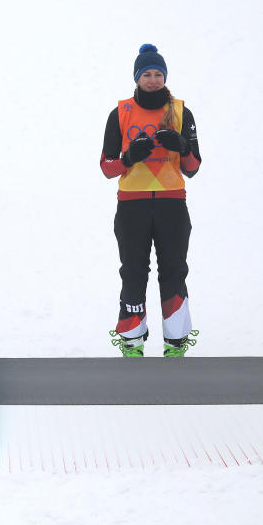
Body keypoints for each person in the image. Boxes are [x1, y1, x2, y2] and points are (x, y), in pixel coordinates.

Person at [100, 44, 201, 357]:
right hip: (132, 205)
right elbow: (106, 167)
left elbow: (193, 167)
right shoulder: (121, 113)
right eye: (147, 74)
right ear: (137, 77)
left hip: (172, 204)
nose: (153, 79)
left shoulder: (182, 112)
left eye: (158, 73)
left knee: (174, 269)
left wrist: (182, 146)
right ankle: (131, 340)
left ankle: (177, 341)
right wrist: (129, 157)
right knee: (133, 270)